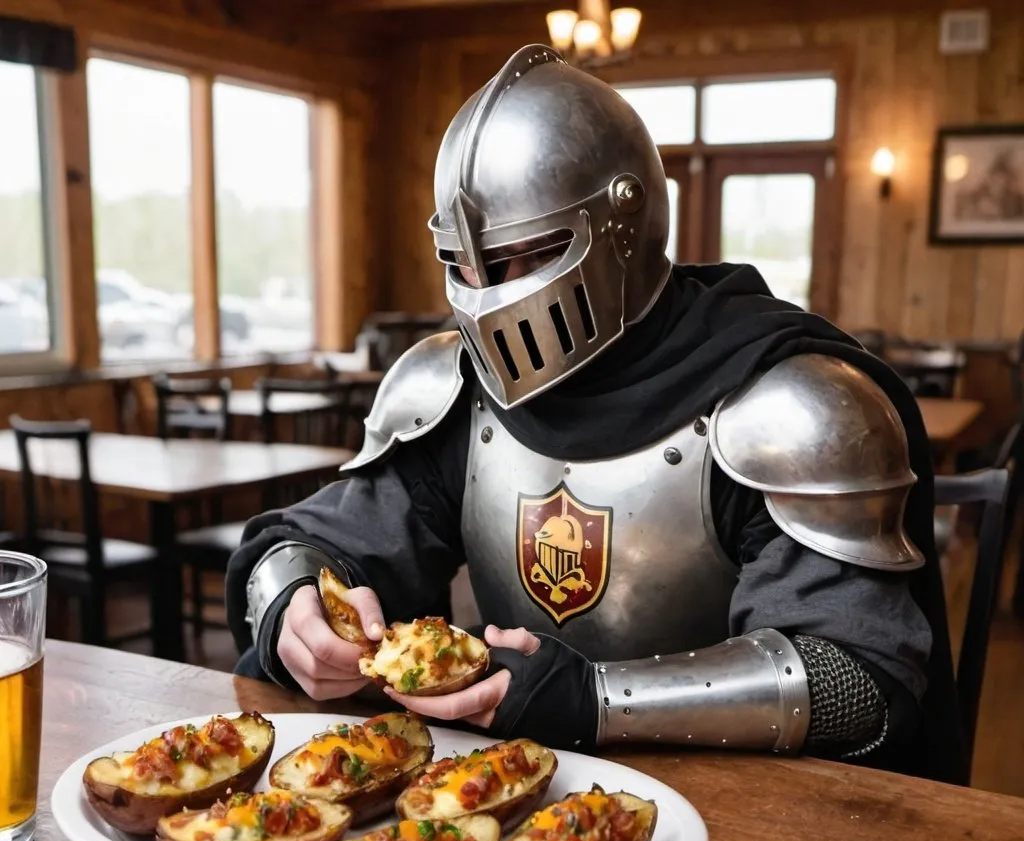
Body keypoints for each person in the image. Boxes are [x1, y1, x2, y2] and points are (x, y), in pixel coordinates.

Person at [226, 44, 964, 784]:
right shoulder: (451, 387)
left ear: (623, 223)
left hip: (743, 804)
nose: (491, 296)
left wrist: (596, 700)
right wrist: (295, 605)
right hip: (501, 797)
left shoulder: (789, 406)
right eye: (463, 264)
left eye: (529, 253)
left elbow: (853, 680)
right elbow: (321, 541)